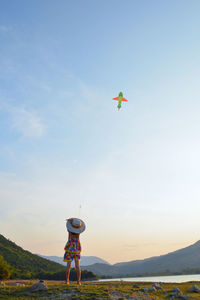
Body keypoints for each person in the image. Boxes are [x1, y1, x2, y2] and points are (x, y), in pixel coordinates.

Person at [63, 218, 86, 285]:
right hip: (76, 249)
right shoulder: (78, 233)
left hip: (70, 249)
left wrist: (70, 221)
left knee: (68, 265)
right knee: (77, 266)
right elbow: (79, 229)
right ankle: (78, 281)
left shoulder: (69, 231)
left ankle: (67, 281)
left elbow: (68, 228)